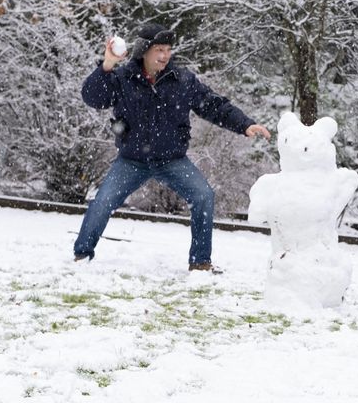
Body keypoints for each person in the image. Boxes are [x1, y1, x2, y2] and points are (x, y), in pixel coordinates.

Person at [73, 22, 270, 272]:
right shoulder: (123, 78)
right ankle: (81, 257)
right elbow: (93, 98)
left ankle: (200, 263)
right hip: (132, 160)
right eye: (159, 50)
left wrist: (245, 125)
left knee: (203, 196)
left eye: (168, 49)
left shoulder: (182, 80)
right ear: (144, 50)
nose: (165, 55)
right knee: (102, 201)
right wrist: (108, 65)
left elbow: (214, 105)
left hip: (172, 159)